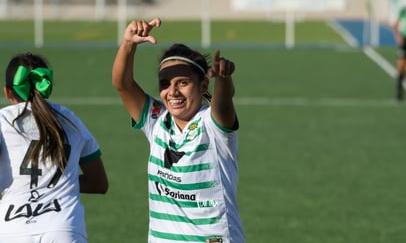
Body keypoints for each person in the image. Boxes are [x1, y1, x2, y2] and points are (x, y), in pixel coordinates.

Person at [112, 18, 245, 243]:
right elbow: (123, 85)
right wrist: (128, 43)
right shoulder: (156, 120)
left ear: (203, 85)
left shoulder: (212, 125)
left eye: (182, 83)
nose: (172, 92)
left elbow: (222, 102)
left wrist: (223, 78)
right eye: (165, 84)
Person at [0, 53, 108, 243]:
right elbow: (99, 183)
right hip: (65, 229)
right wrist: (63, 182)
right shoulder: (71, 120)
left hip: (11, 231)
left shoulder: (2, 119)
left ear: (8, 92)